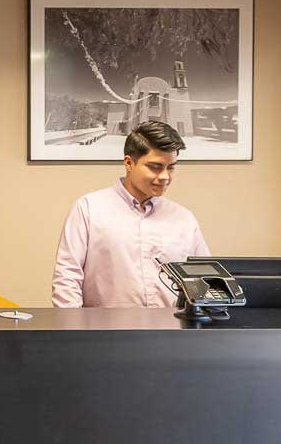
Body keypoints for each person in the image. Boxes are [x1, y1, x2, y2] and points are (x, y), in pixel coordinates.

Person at [52, 121, 210, 309]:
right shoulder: (88, 209)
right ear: (128, 163)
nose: (165, 176)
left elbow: (205, 280)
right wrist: (73, 326)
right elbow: (67, 277)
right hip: (103, 326)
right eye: (155, 166)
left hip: (171, 325)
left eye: (171, 167)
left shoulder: (184, 218)